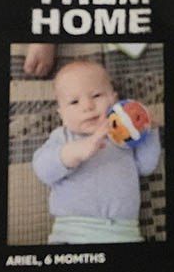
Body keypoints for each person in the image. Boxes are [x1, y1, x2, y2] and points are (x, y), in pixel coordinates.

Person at [31, 60, 161, 244]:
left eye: (96, 95)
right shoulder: (63, 137)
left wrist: (149, 131)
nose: (88, 106)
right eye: (74, 102)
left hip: (125, 233)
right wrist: (75, 152)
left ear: (114, 100)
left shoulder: (124, 136)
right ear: (62, 115)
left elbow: (146, 167)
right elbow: (42, 169)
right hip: (73, 232)